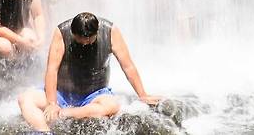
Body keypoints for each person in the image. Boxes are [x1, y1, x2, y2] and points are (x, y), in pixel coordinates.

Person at [17, 11, 159, 132]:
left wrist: (143, 94)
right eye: (79, 40)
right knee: (25, 99)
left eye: (88, 40)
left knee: (112, 105)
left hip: (95, 95)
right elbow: (52, 70)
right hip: (63, 94)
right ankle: (44, 132)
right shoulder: (61, 32)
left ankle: (67, 113)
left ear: (96, 32)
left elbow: (128, 66)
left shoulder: (110, 31)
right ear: (73, 33)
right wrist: (52, 103)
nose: (84, 44)